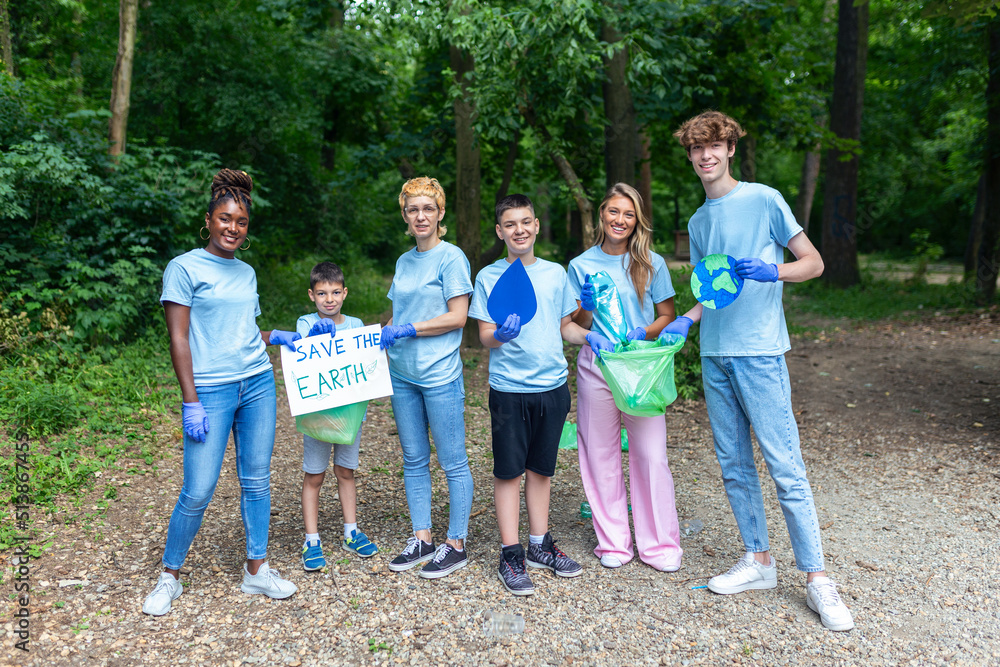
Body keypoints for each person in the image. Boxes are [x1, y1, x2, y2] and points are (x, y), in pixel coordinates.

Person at [661, 110, 854, 631]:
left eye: (713, 146)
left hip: (761, 351)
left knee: (784, 464)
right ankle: (759, 561)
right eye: (695, 150)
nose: (704, 156)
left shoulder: (764, 199)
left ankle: (817, 579)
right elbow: (710, 289)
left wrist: (775, 271)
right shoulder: (700, 222)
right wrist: (686, 319)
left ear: (729, 149)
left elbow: (812, 262)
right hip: (715, 353)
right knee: (733, 464)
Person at [143, 169, 304, 616]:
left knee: (257, 481)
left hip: (256, 383)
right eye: (225, 219)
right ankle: (168, 577)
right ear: (209, 219)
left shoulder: (247, 272)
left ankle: (257, 569)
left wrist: (277, 336)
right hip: (210, 392)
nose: (233, 228)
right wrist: (190, 400)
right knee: (198, 489)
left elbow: (245, 330)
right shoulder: (184, 267)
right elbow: (179, 339)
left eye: (241, 222)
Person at [469, 194, 593, 595]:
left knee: (542, 469)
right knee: (509, 471)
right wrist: (498, 335)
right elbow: (485, 335)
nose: (519, 230)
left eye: (525, 222)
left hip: (553, 389)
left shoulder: (556, 274)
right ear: (500, 231)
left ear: (536, 225)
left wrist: (592, 333)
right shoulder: (489, 277)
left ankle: (540, 544)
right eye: (510, 224)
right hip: (509, 392)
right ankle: (510, 553)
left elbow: (566, 328)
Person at [566, 183, 684, 572]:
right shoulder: (581, 265)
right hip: (598, 368)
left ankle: (660, 546)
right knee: (599, 455)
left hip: (642, 370)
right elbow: (574, 324)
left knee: (650, 455)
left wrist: (645, 333)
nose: (620, 220)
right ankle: (614, 544)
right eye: (614, 212)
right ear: (602, 214)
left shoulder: (652, 262)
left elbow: (667, 314)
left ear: (637, 221)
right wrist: (586, 310)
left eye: (628, 214)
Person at [379, 176, 474, 579]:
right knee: (414, 459)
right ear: (405, 214)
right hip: (402, 374)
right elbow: (395, 317)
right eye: (413, 209)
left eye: (428, 209)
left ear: (440, 214)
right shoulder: (404, 261)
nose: (421, 216)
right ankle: (422, 538)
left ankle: (456, 543)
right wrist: (373, 334)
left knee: (453, 461)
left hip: (439, 374)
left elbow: (458, 316)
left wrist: (410, 329)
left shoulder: (452, 258)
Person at [295, 261, 379, 571]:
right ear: (311, 295)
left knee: (346, 471)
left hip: (349, 416)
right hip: (317, 417)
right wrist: (313, 339)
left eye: (334, 292)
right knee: (314, 475)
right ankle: (312, 539)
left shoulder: (356, 326)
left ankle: (350, 531)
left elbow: (366, 365)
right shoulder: (305, 323)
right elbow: (302, 358)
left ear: (344, 293)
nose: (328, 299)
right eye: (321, 293)